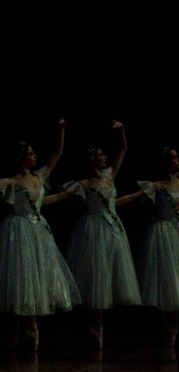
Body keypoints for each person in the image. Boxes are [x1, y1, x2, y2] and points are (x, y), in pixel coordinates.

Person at [115, 118, 179, 347]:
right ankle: (168, 329)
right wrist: (111, 203)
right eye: (174, 157)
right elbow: (133, 198)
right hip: (163, 233)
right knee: (168, 280)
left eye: (178, 157)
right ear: (167, 162)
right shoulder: (157, 186)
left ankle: (172, 328)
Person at [0, 118, 80, 351]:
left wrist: (61, 130)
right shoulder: (12, 182)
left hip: (38, 229)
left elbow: (57, 154)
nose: (35, 156)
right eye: (31, 153)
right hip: (20, 229)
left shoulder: (39, 177)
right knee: (22, 277)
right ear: (22, 157)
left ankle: (31, 332)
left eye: (35, 153)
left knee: (36, 277)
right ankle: (18, 330)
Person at [62, 119, 141, 350]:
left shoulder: (110, 175)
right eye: (100, 155)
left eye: (104, 154)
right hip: (93, 229)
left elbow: (123, 149)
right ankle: (96, 326)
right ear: (92, 159)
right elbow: (67, 198)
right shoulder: (85, 183)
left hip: (113, 230)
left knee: (107, 275)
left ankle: (100, 326)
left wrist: (122, 130)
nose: (104, 157)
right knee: (96, 276)